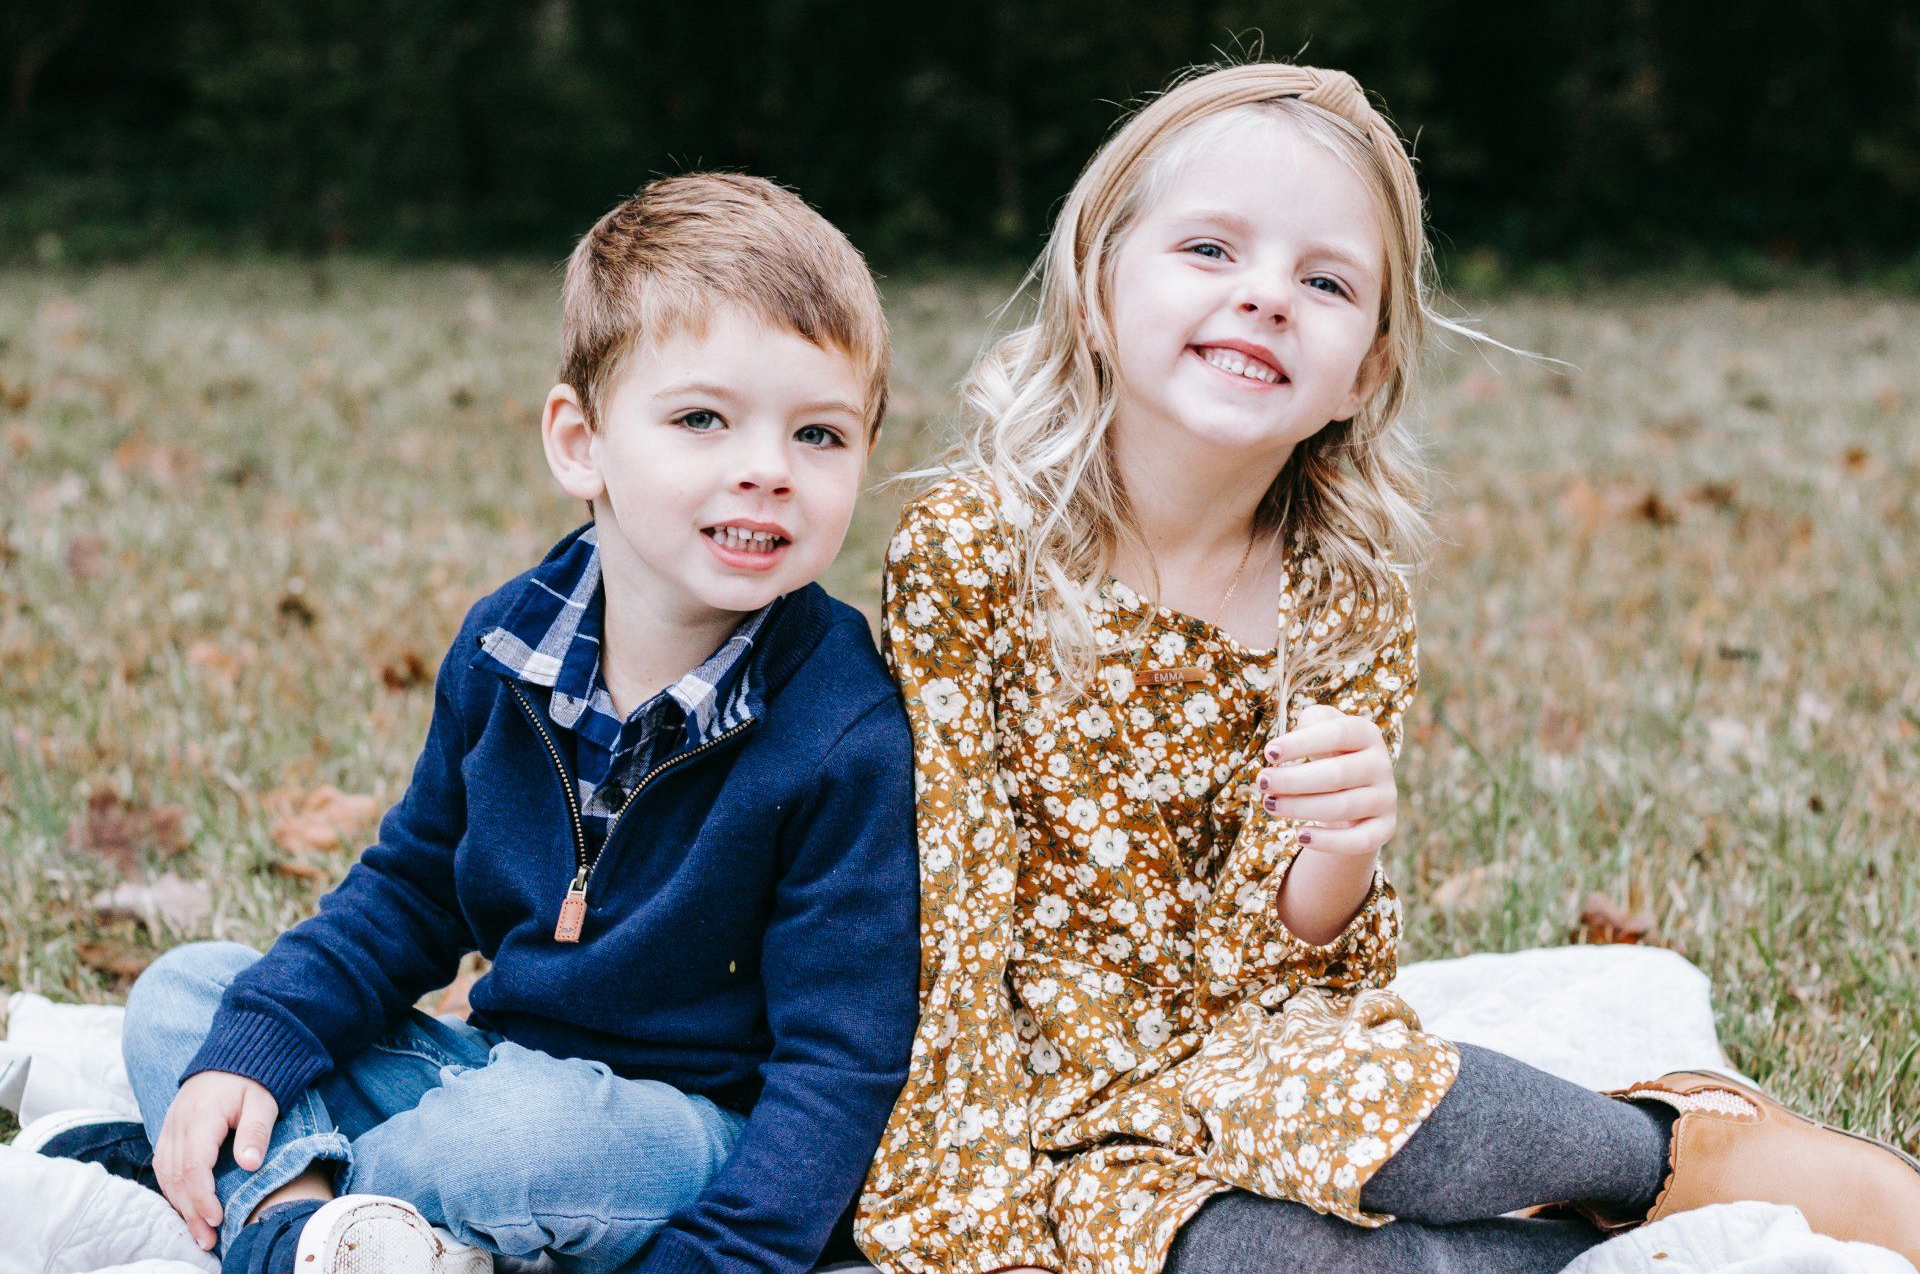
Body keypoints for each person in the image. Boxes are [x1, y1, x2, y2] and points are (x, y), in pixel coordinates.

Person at [854, 62, 1920, 1274]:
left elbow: (1301, 962)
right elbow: (951, 889)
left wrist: (1345, 847)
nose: (1265, 296)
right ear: (1098, 289)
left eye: (1324, 281)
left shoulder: (1342, 597)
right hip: (1034, 1086)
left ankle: (1668, 1152)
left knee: (1391, 1115)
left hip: (1257, 1048)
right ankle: (1605, 1248)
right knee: (1282, 1263)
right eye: (1209, 249)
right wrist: (980, 1185)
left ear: (1362, 371)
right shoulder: (975, 553)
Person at [46, 172, 921, 1274]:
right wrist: (259, 1046)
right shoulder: (510, 644)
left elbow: (839, 1061)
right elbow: (413, 889)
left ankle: (258, 1195)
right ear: (580, 441)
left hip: (673, 1135)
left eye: (821, 434)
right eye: (702, 418)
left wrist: (724, 1257)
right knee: (196, 997)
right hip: (486, 1070)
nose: (767, 469)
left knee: (507, 1142)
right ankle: (309, 1230)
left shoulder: (840, 727)